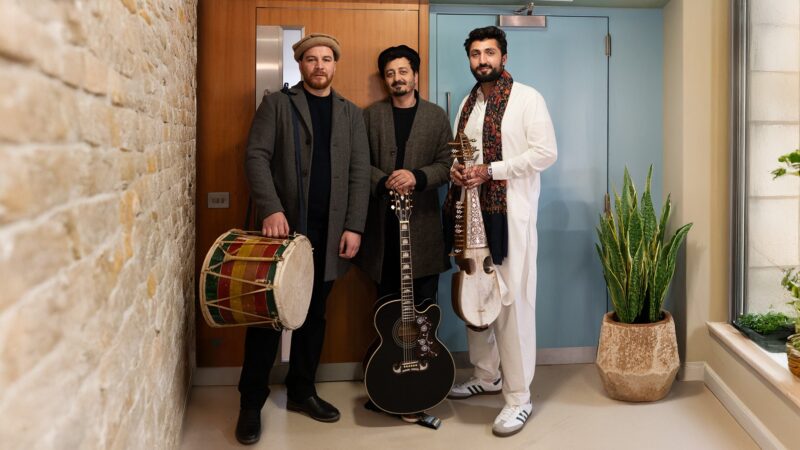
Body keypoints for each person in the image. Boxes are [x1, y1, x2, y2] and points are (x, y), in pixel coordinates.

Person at [237, 33, 370, 445]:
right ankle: (249, 404)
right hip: (282, 235)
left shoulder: (350, 113)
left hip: (329, 237)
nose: (319, 66)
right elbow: (255, 155)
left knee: (314, 320)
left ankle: (301, 391)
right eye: (311, 59)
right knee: (267, 320)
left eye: (326, 59)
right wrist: (271, 208)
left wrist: (354, 225)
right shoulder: (277, 104)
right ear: (300, 65)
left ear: (335, 64)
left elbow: (360, 172)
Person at [445, 26, 557, 438]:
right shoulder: (468, 104)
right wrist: (459, 172)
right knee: (475, 294)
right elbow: (463, 156)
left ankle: (518, 397)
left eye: (489, 52)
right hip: (472, 215)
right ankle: (487, 375)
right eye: (475, 54)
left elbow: (546, 153)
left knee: (512, 305)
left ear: (503, 57)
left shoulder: (527, 99)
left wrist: (490, 171)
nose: (482, 61)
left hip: (510, 217)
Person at [358, 44, 452, 310]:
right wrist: (384, 180)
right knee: (385, 305)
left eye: (403, 71)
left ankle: (419, 354)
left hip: (423, 225)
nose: (397, 78)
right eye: (390, 73)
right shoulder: (370, 116)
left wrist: (416, 176)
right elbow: (358, 163)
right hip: (382, 227)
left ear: (415, 76)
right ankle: (390, 354)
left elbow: (447, 165)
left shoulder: (436, 116)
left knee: (424, 307)